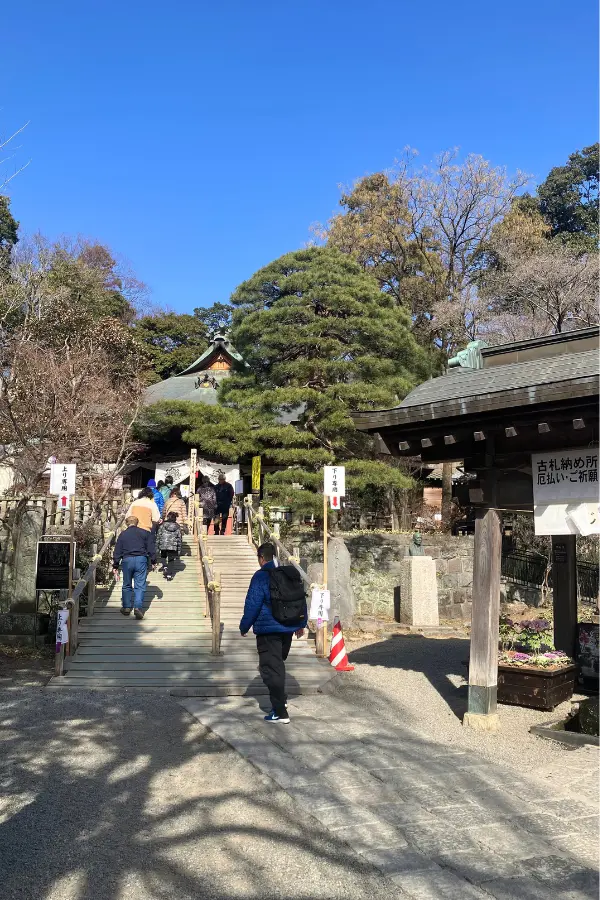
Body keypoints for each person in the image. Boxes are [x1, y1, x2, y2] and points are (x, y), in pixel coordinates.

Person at [239, 542, 307, 724]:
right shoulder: (288, 573)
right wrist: (301, 623)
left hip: (268, 630)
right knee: (277, 665)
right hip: (288, 628)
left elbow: (252, 604)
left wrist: (244, 626)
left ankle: (279, 712)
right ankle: (281, 701)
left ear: (261, 558)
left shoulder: (261, 576)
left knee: (270, 669)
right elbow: (300, 599)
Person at [112, 515, 156, 619]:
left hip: (127, 560)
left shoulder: (122, 535)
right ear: (137, 523)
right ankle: (138, 607)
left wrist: (115, 564)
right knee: (140, 585)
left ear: (127, 523)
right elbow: (151, 547)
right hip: (141, 559)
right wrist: (153, 560)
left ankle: (127, 607)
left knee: (126, 584)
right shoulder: (145, 533)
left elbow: (117, 550)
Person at [156, 511, 182, 580]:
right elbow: (179, 539)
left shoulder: (162, 525)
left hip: (163, 544)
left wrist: (157, 546)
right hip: (173, 546)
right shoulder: (177, 527)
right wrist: (179, 550)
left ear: (168, 517)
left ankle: (165, 566)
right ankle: (169, 575)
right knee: (171, 560)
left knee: (163, 556)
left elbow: (158, 536)